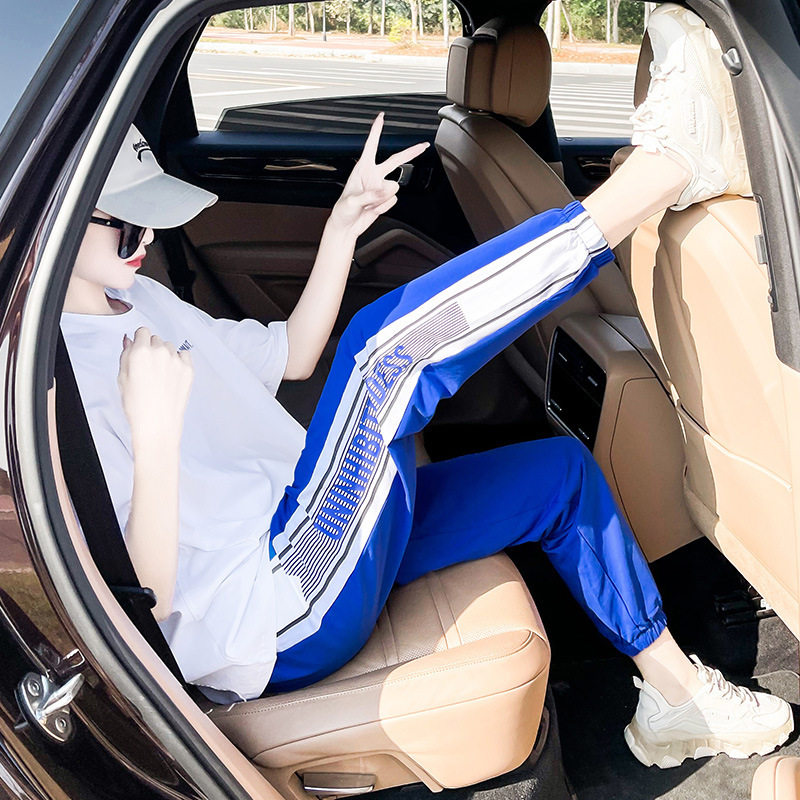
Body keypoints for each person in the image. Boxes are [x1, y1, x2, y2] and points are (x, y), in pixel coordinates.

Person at [61, 4, 792, 770]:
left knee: (557, 476)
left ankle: (678, 695)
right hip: (273, 602)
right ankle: (665, 169)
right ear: (62, 222)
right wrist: (154, 435)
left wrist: (341, 230)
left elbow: (295, 355)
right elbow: (146, 596)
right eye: (127, 225)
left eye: (153, 218)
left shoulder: (140, 297)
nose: (149, 239)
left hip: (303, 522)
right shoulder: (59, 387)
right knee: (384, 354)